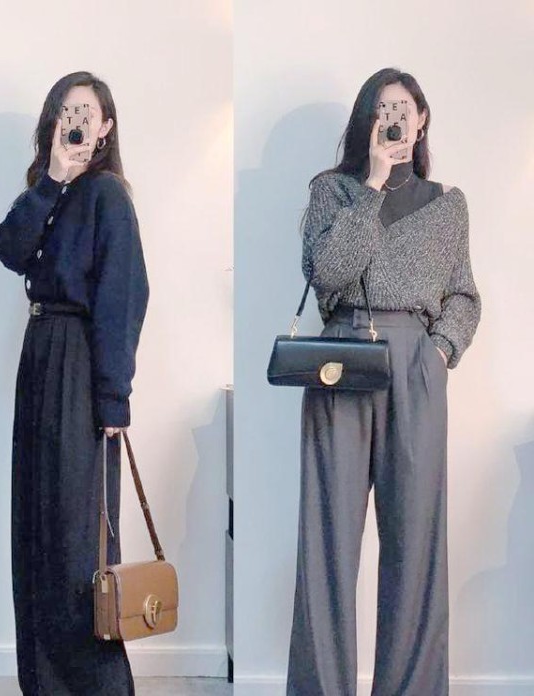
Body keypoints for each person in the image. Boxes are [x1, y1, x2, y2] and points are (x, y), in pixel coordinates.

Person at [287, 68, 481, 695]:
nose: (394, 119)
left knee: (415, 539)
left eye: (404, 108)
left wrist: (440, 351)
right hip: (342, 355)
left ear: (421, 121)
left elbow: (463, 294)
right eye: (382, 108)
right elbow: (328, 274)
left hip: (416, 362)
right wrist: (371, 185)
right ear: (367, 122)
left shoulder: (447, 203)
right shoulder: (333, 191)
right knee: (329, 538)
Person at [0, 71, 149, 695]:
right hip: (39, 360)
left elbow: (123, 300)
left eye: (87, 112)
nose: (77, 120)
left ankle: (93, 686)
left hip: (81, 367)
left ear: (105, 127)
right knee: (36, 524)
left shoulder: (108, 196)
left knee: (78, 538)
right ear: (54, 122)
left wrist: (113, 399)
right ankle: (44, 683)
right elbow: (7, 249)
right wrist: (53, 177)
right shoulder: (45, 191)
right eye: (67, 111)